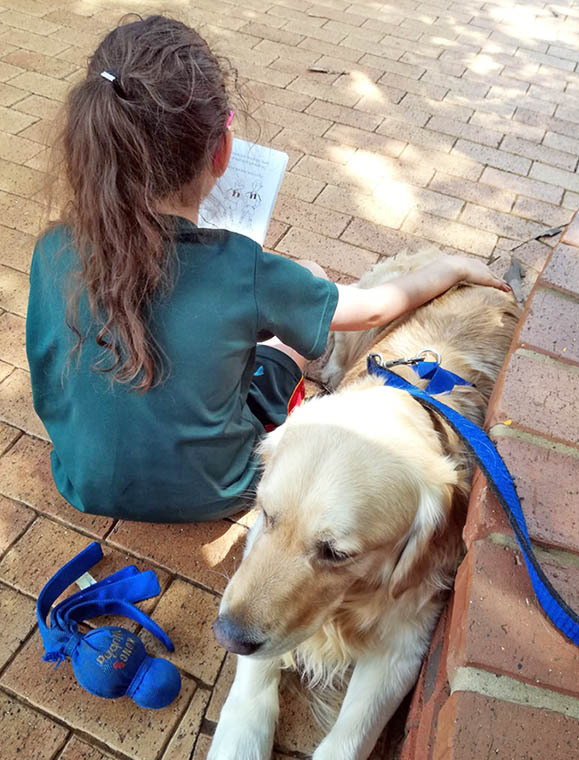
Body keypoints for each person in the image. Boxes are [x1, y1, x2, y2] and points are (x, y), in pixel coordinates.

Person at [26, 15, 510, 523]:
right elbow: (371, 312)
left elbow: (49, 372)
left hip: (80, 482)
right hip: (222, 487)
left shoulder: (52, 248)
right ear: (222, 151)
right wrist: (450, 267)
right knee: (293, 308)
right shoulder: (243, 268)